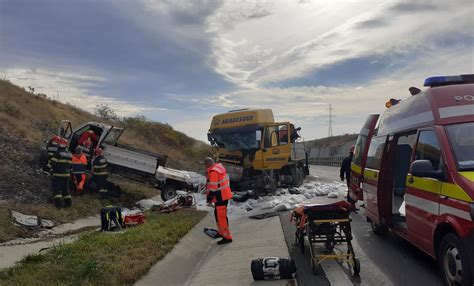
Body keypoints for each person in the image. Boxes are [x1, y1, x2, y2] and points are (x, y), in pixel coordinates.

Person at [205, 157, 233, 245]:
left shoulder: (213, 172)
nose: (205, 167)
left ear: (208, 164)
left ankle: (227, 237)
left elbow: (213, 188)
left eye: (205, 165)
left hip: (221, 197)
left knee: (221, 217)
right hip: (223, 196)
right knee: (218, 215)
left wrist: (209, 198)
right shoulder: (219, 169)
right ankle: (221, 232)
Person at [50, 138, 73, 208]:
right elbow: (71, 166)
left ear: (59, 144)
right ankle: (68, 205)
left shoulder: (57, 153)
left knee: (56, 190)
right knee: (66, 191)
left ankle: (58, 206)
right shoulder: (69, 154)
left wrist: (47, 169)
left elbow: (52, 163)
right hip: (67, 175)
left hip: (58, 175)